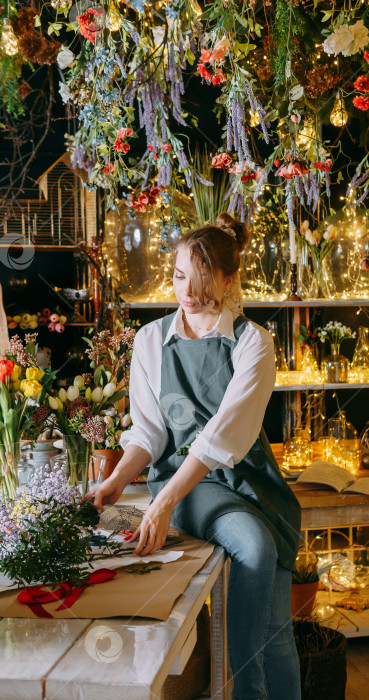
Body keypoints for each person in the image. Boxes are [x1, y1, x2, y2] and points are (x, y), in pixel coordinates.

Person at [86, 213, 302, 700]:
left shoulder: (254, 343)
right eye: (180, 274)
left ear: (228, 279)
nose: (186, 290)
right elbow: (149, 432)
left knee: (277, 633)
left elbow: (220, 438)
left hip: (252, 482)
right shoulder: (150, 341)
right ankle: (244, 690)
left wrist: (160, 508)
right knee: (255, 545)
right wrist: (119, 480)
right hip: (192, 486)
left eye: (201, 279)